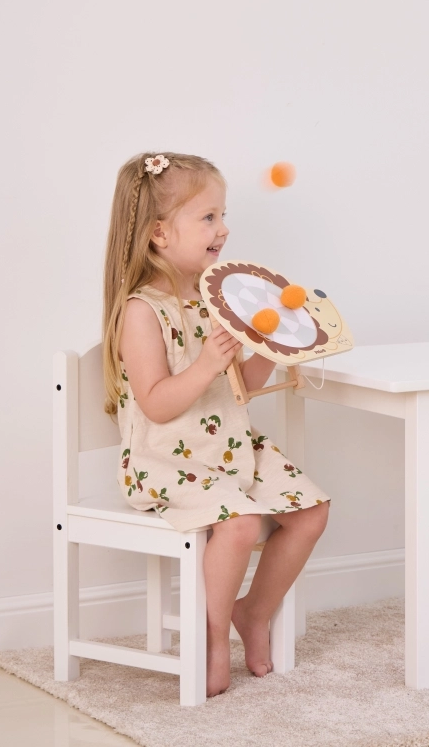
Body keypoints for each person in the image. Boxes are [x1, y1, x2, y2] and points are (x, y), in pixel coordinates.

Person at [101, 152, 331, 697]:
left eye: (223, 216)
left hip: (228, 449)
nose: (223, 229)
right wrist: (205, 363)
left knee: (311, 512)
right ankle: (210, 640)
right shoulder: (142, 311)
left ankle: (253, 612)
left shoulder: (216, 301)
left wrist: (271, 346)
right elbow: (155, 404)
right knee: (240, 524)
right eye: (208, 217)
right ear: (159, 233)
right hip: (167, 460)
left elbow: (239, 389)